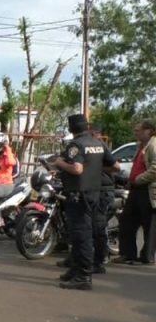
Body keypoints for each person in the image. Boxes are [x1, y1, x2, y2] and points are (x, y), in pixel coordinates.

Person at [53, 114, 117, 290]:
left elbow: (76, 168)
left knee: (81, 236)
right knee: (80, 234)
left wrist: (59, 163)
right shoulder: (99, 143)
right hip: (94, 194)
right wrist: (95, 168)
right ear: (86, 126)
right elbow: (116, 166)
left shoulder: (76, 144)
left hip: (78, 195)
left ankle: (83, 276)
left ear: (71, 128)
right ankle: (75, 270)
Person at [115, 120, 156, 265]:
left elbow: (154, 170)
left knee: (149, 225)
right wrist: (131, 180)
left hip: (147, 190)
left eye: (138, 130)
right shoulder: (141, 146)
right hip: (136, 189)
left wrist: (138, 179)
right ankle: (127, 253)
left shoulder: (153, 145)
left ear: (149, 131)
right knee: (127, 220)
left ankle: (147, 256)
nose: (136, 132)